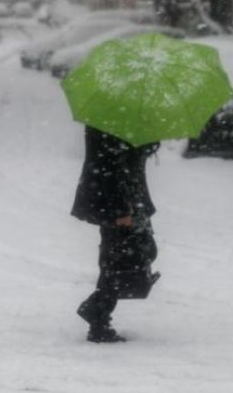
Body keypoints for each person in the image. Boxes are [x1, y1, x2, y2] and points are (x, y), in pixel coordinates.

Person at [72, 126, 161, 343]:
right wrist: (121, 210)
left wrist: (150, 140)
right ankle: (98, 315)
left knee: (124, 257)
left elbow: (131, 155)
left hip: (129, 198)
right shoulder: (108, 124)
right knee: (121, 258)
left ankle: (98, 312)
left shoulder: (121, 119)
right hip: (119, 202)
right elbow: (109, 166)